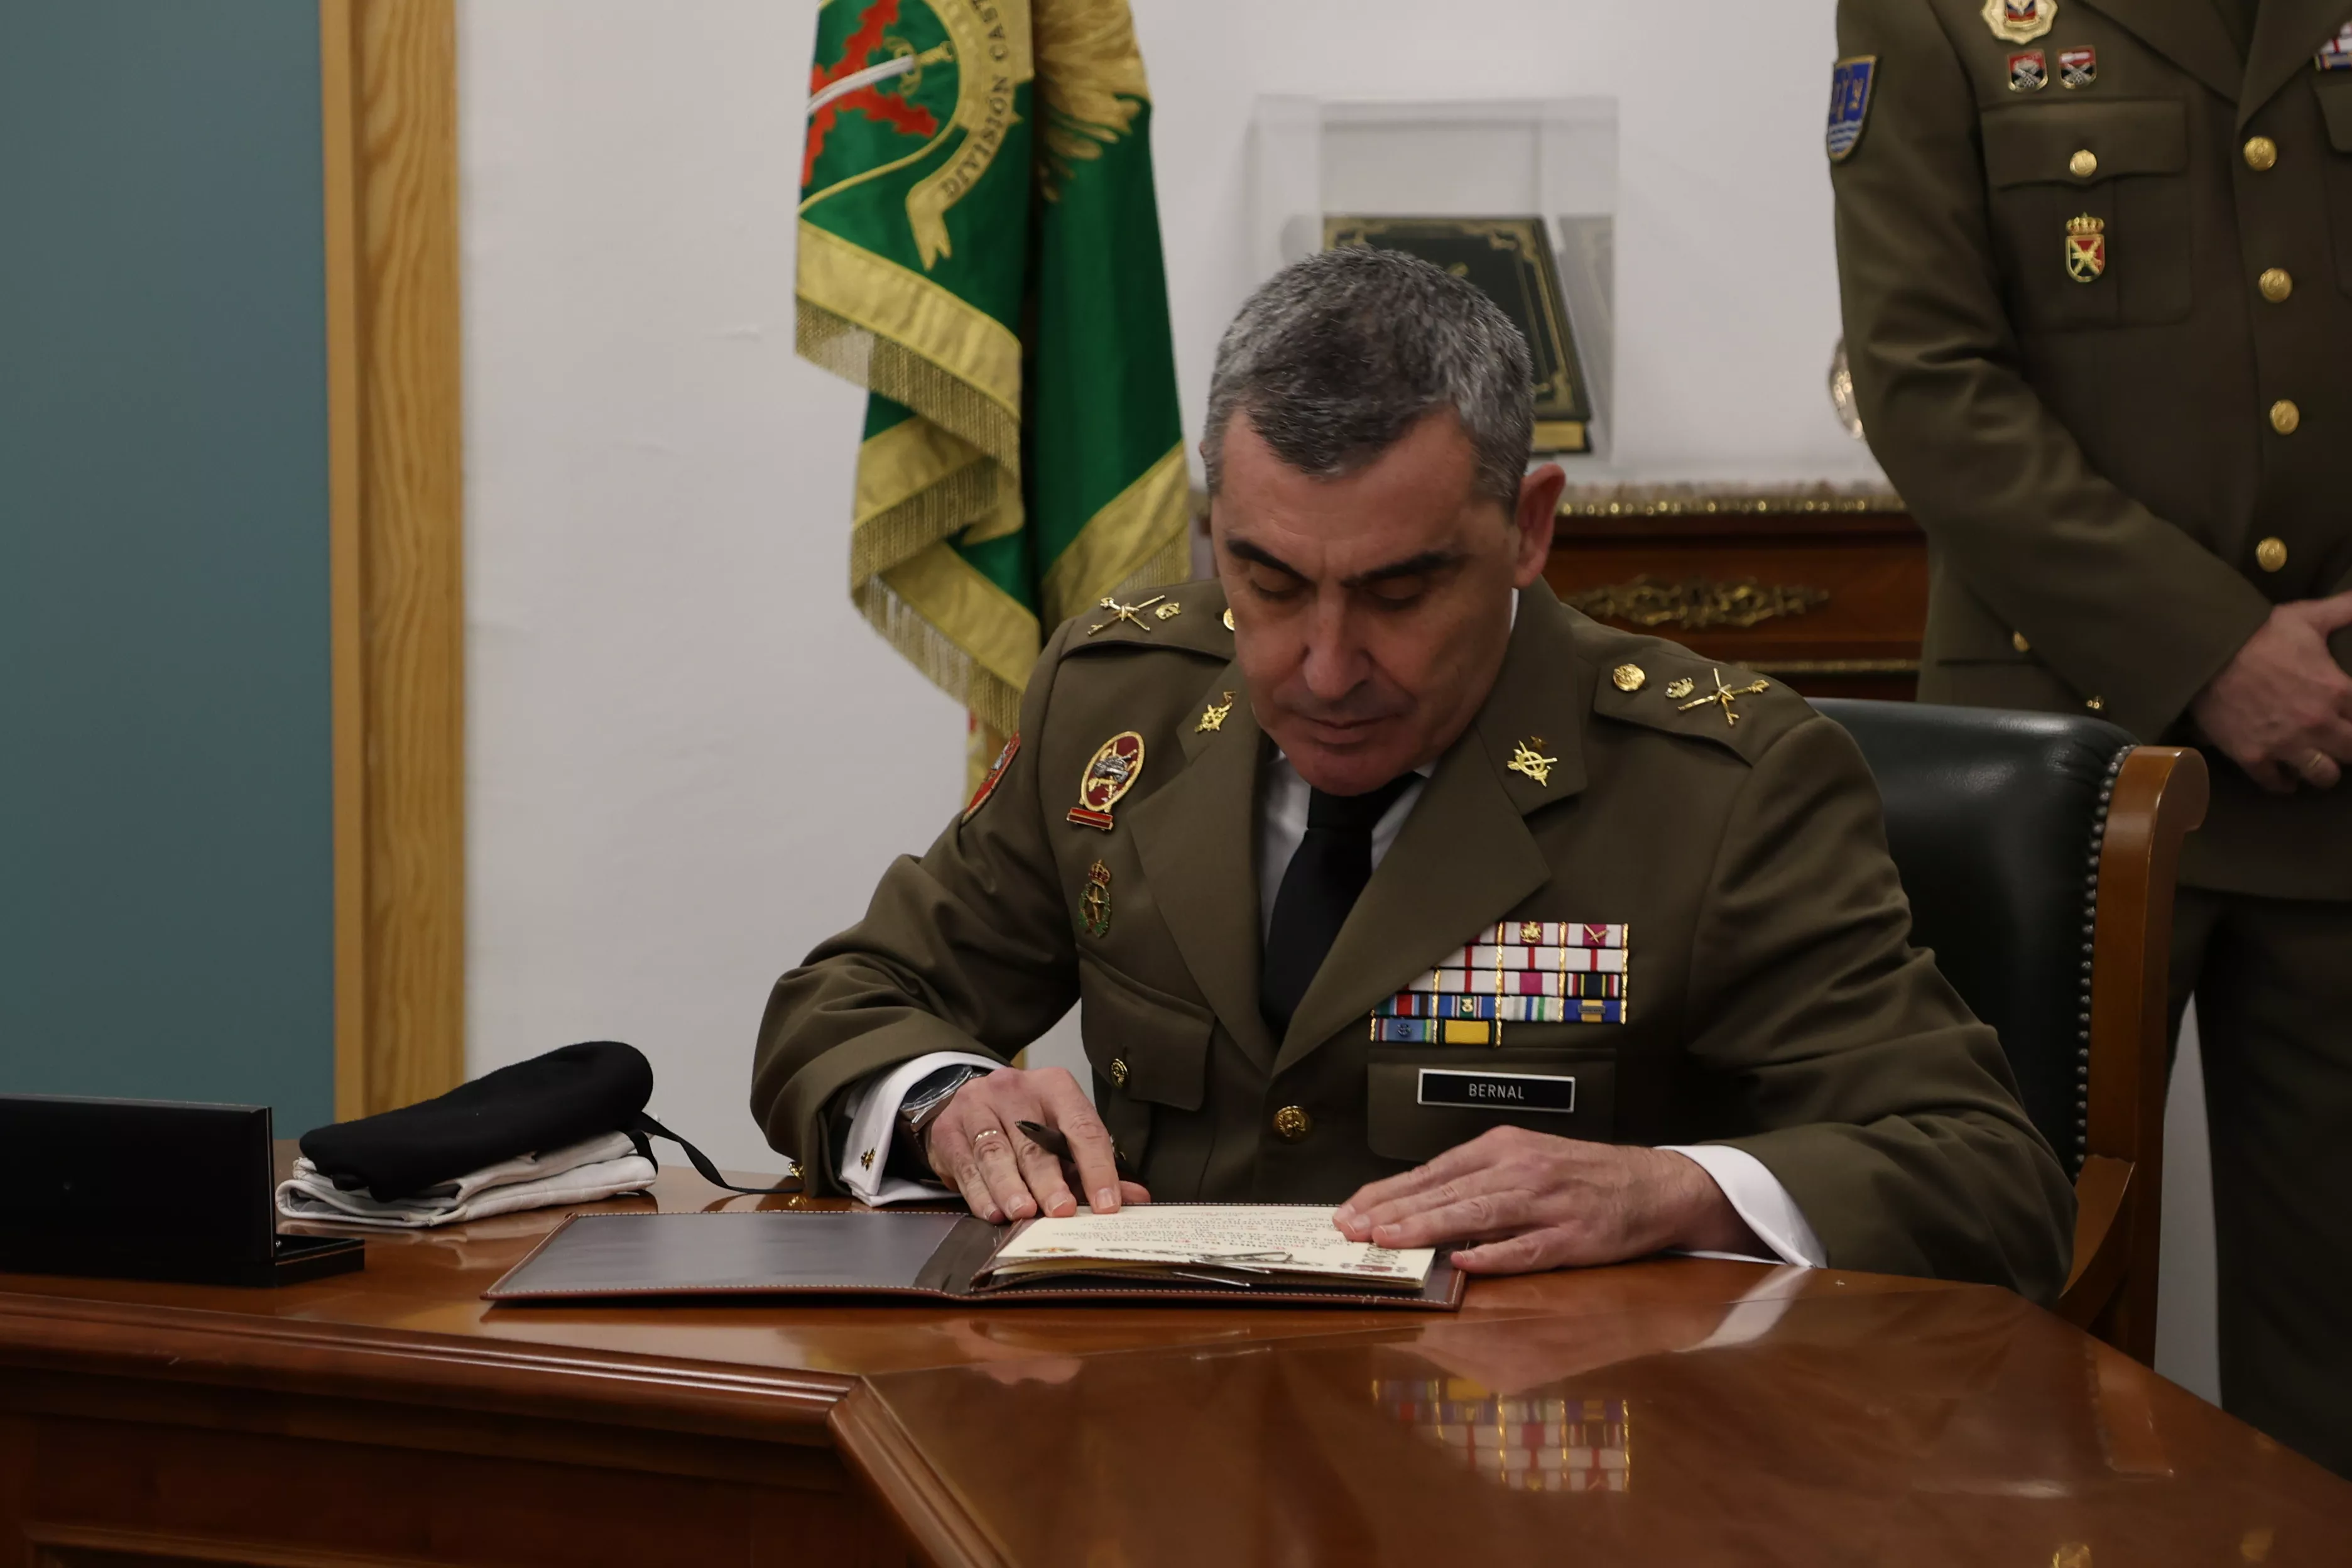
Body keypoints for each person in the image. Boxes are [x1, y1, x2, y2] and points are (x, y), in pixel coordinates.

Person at [751, 246, 2073, 1297]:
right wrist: (940, 1103)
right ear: (1216, 531)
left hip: (1542, 1467)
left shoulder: (1721, 786)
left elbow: (1987, 1179)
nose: (1325, 668)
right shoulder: (1124, 708)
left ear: (1528, 531)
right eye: (1269, 584)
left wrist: (1670, 1189)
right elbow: (845, 1000)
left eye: (1398, 592)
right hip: (1148, 1447)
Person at [1828, 0, 2352, 1473]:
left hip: (2340, 753)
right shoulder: (1937, 14)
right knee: (1997, 1332)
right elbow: (1927, 383)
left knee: (2337, 1364)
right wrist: (2214, 651)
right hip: (2052, 790)